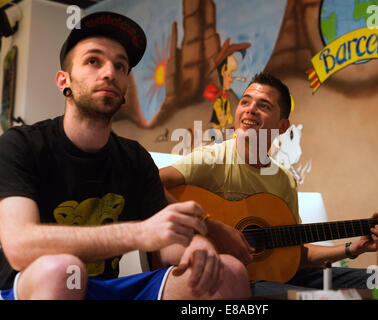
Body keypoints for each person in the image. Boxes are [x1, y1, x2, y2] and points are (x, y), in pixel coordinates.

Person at [0, 11, 250, 300]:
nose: (109, 72)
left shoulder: (135, 159)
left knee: (228, 271)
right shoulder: (20, 145)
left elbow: (170, 246)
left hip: (106, 290)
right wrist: (140, 233)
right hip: (32, 285)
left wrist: (196, 247)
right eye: (93, 61)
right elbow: (19, 246)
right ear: (63, 81)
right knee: (63, 268)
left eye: (120, 66)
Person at [159, 72, 378, 297]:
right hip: (229, 277)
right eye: (245, 102)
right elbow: (151, 184)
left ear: (282, 126)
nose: (250, 109)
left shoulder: (284, 180)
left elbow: (295, 253)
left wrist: (351, 249)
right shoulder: (211, 159)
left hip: (279, 278)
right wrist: (213, 228)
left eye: (264, 105)